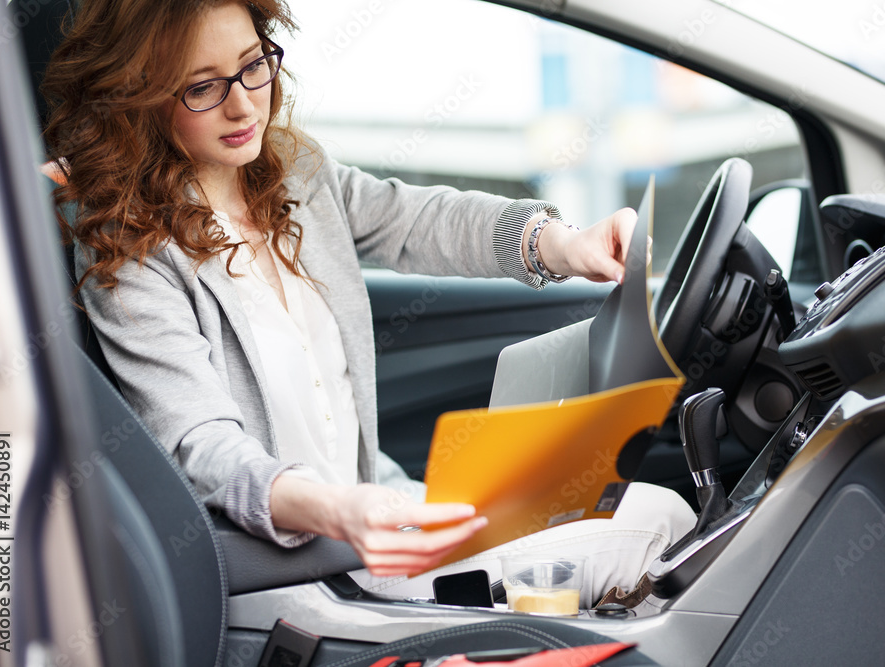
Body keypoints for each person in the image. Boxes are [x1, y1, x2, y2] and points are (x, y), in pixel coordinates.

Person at [42, 0, 694, 607]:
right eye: (203, 86)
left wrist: (559, 242)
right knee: (660, 519)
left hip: (389, 507)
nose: (243, 105)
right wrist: (335, 510)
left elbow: (418, 220)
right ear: (143, 94)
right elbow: (199, 441)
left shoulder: (294, 172)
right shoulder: (129, 251)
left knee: (621, 502)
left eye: (252, 66)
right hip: (310, 561)